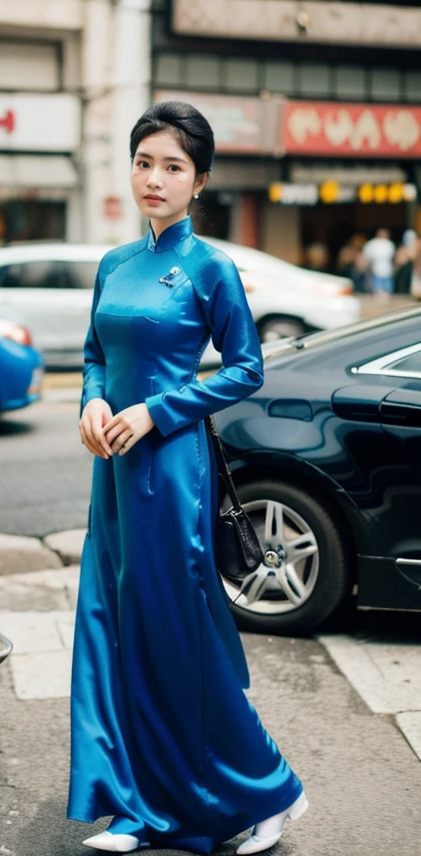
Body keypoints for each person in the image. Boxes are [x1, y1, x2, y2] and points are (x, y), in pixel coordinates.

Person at [68, 101, 307, 856]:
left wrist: (157, 411)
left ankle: (271, 790)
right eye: (144, 162)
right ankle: (140, 806)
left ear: (199, 180)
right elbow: (94, 353)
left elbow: (245, 368)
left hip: (171, 474)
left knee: (177, 634)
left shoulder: (210, 267)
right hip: (114, 472)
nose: (154, 178)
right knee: (115, 626)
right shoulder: (114, 263)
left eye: (172, 166)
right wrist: (95, 400)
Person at [362, 227, 396, 294]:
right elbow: (365, 256)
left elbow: (393, 258)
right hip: (375, 271)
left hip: (388, 272)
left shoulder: (389, 244)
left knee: (388, 291)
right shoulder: (372, 244)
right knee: (377, 292)